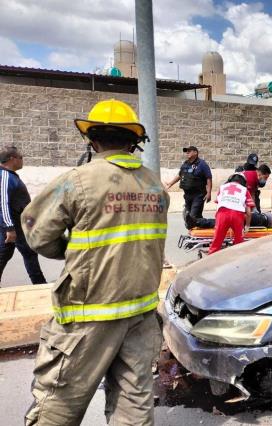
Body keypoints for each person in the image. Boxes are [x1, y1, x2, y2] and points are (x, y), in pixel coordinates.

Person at [22, 99, 169, 425]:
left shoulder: (78, 181)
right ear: (133, 142)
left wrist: (73, 249)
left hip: (87, 316)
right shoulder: (156, 186)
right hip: (141, 315)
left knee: (57, 406)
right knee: (134, 408)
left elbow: (36, 234)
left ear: (92, 139)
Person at [0, 147, 46, 285]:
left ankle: (39, 284)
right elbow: (3, 203)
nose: (22, 161)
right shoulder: (5, 177)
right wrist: (9, 228)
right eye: (21, 158)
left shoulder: (9, 175)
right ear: (12, 159)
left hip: (19, 226)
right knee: (4, 255)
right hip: (11, 227)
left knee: (30, 253)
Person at [164, 146, 212, 229]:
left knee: (192, 218)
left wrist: (209, 192)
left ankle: (214, 222)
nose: (187, 152)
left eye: (189, 151)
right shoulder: (185, 164)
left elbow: (209, 178)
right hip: (187, 195)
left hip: (198, 195)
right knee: (193, 217)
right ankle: (200, 232)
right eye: (186, 151)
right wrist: (170, 183)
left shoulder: (202, 164)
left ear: (195, 153)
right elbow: (180, 175)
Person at [209, 173, 254, 254]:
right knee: (239, 242)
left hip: (222, 214)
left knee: (217, 241)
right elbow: (249, 213)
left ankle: (210, 260)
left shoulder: (222, 187)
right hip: (237, 215)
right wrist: (247, 226)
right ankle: (237, 261)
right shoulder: (244, 190)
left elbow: (218, 203)